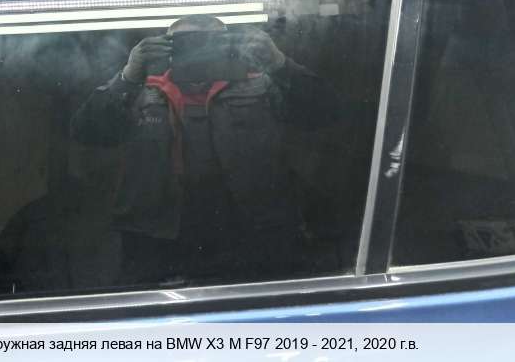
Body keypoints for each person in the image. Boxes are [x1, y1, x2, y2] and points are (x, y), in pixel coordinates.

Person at [70, 15, 344, 287]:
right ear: (166, 49)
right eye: (186, 44)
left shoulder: (260, 85)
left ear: (228, 45)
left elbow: (326, 112)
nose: (199, 51)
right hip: (155, 233)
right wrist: (129, 75)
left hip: (251, 229)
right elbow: (87, 132)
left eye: (212, 42)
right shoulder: (140, 91)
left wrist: (278, 62)